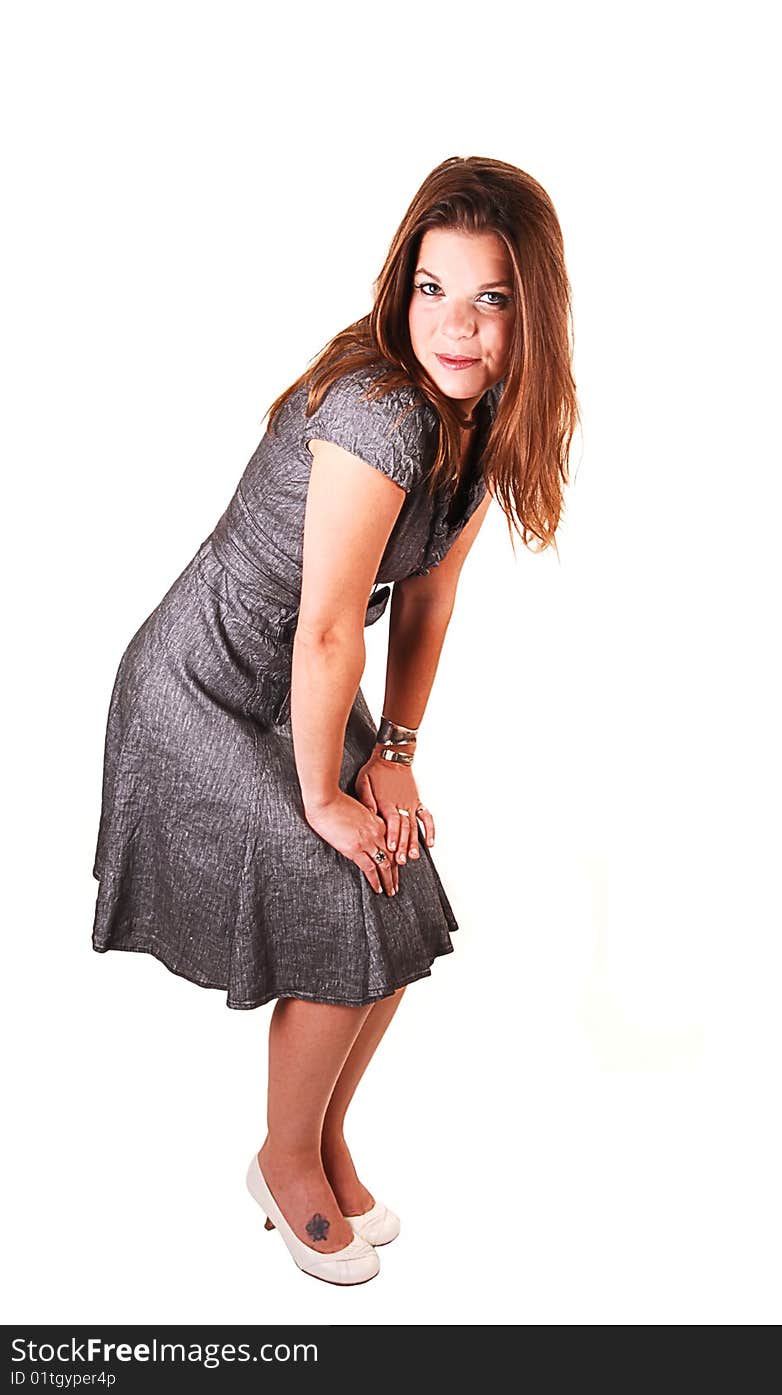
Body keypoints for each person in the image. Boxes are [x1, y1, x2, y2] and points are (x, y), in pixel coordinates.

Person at [91, 155, 578, 1286]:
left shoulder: (483, 415)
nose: (453, 326)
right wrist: (324, 798)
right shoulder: (378, 413)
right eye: (430, 289)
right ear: (399, 289)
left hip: (297, 684)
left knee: (396, 877)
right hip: (201, 689)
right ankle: (283, 1159)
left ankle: (316, 1136)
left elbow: (429, 600)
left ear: (532, 311)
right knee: (338, 885)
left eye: (489, 298)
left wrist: (394, 763)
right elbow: (324, 630)